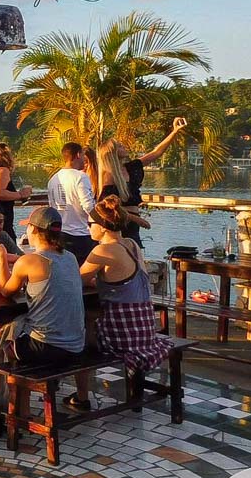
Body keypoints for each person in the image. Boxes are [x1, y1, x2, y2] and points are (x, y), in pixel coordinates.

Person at [0, 206, 88, 405]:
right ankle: (70, 394)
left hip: (45, 348)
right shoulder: (70, 257)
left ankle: (16, 406)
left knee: (3, 340)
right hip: (76, 346)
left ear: (34, 230)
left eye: (28, 227)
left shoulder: (30, 261)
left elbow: (6, 291)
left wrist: (1, 258)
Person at [80, 196, 172, 377]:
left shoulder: (103, 250)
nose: (88, 227)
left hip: (123, 338)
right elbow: (119, 280)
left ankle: (80, 379)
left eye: (90, 223)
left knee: (82, 319)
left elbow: (77, 280)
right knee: (92, 313)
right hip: (145, 332)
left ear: (102, 227)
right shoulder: (132, 244)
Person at [97, 118, 188, 246]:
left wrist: (175, 132)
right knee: (128, 253)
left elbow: (156, 152)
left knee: (135, 253)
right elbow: (106, 206)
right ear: (112, 153)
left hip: (133, 223)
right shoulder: (109, 175)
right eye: (120, 146)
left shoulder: (131, 167)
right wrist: (136, 219)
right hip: (120, 224)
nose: (124, 147)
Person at [45, 143, 96, 263]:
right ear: (78, 155)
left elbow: (52, 207)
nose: (84, 159)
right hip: (81, 234)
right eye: (83, 155)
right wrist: (103, 223)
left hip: (61, 234)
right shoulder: (80, 177)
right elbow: (88, 205)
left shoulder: (53, 179)